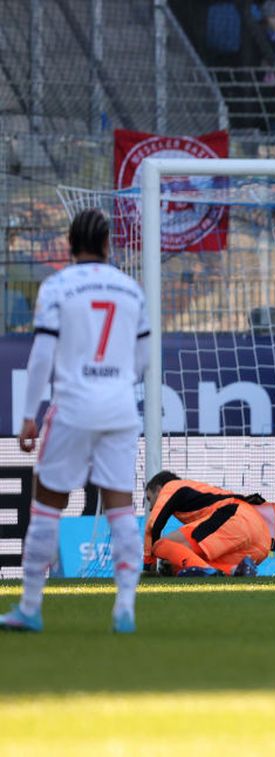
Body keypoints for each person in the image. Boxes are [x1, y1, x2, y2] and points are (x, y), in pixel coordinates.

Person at [2, 209, 147, 633]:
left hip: (73, 406)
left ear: (69, 246)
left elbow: (42, 356)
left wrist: (29, 416)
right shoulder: (130, 289)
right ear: (106, 245)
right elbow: (144, 358)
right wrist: (117, 382)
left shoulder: (58, 286)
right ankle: (124, 607)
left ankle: (30, 606)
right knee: (120, 505)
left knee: (46, 504)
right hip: (120, 408)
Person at [141, 472, 275, 578]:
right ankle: (235, 569)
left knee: (161, 545)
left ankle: (207, 571)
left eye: (149, 499)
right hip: (261, 542)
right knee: (181, 563)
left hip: (235, 515)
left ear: (159, 489)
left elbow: (152, 526)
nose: (150, 508)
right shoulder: (197, 493)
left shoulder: (170, 487)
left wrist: (149, 565)